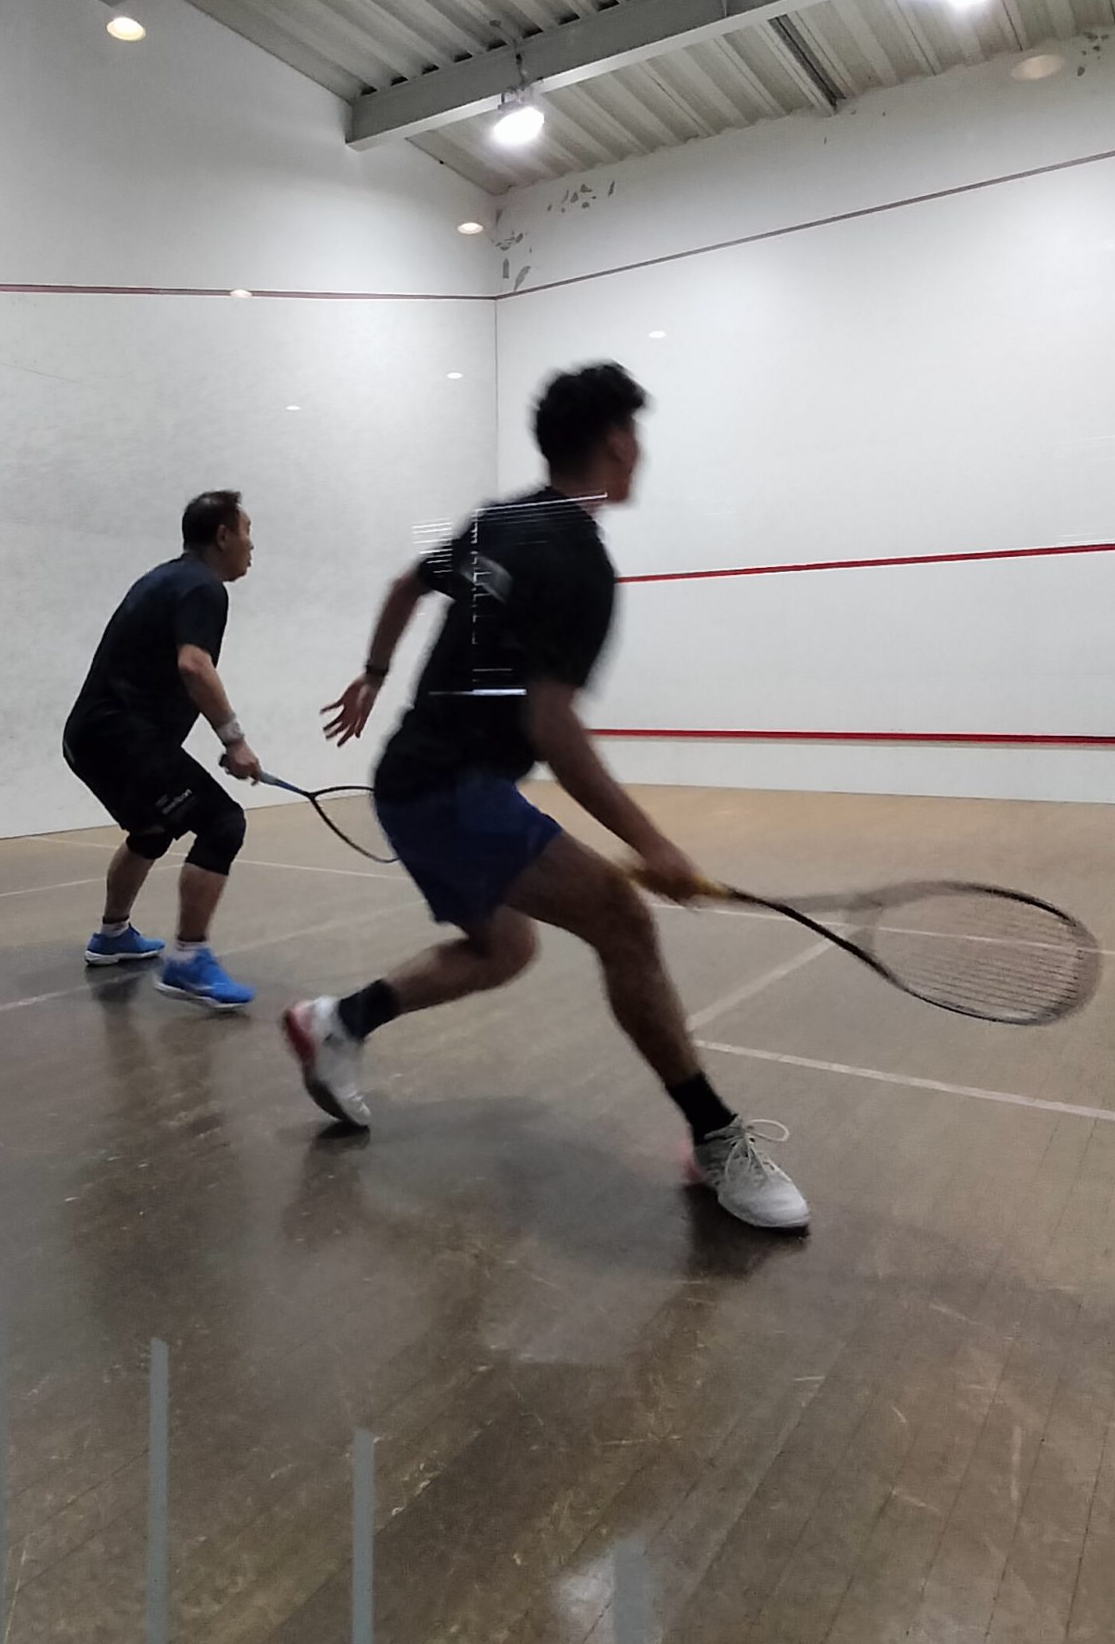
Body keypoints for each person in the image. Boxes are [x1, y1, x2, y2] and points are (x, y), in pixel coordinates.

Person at [284, 364, 809, 1231]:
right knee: (624, 922)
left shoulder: (503, 518)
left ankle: (337, 1023)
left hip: (415, 780)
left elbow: (406, 587)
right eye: (636, 435)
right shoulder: (578, 564)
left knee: (503, 948)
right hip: (452, 793)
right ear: (617, 442)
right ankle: (716, 1138)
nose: (641, 451)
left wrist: (373, 674)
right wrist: (653, 845)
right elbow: (553, 729)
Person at [61, 490, 263, 1009]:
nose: (252, 545)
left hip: (89, 736)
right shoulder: (203, 587)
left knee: (153, 829)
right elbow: (194, 665)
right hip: (120, 737)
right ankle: (188, 960)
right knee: (223, 823)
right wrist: (235, 740)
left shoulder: (168, 578)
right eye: (246, 532)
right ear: (223, 536)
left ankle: (112, 935)